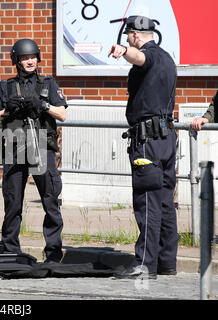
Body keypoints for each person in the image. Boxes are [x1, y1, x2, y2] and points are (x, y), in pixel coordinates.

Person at [109, 16, 178, 279]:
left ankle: (145, 265)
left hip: (148, 142)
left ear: (137, 35)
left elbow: (140, 59)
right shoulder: (168, 58)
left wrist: (124, 51)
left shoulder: (149, 55)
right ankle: (166, 262)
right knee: (164, 202)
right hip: (166, 140)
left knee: (147, 202)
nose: (127, 38)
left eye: (128, 35)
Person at [0, 38, 67, 263]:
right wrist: (7, 111)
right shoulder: (6, 86)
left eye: (32, 57)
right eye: (25, 58)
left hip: (41, 145)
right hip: (15, 145)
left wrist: (44, 106)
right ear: (17, 60)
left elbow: (62, 114)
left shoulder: (48, 84)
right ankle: (10, 251)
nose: (30, 61)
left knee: (50, 200)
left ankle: (53, 254)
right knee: (12, 202)